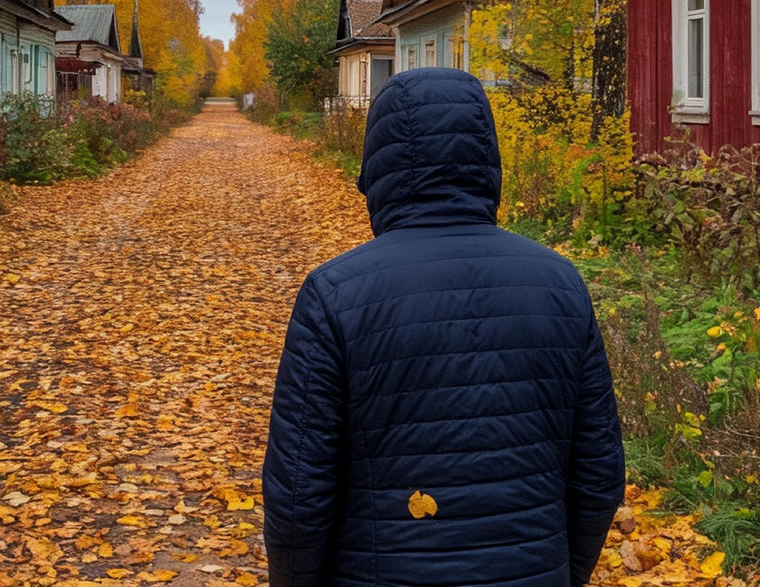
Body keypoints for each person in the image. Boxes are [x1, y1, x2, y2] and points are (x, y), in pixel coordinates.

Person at [262, 68, 625, 587]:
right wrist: (563, 571)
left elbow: (298, 496)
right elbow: (600, 476)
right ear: (486, 157)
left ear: (378, 165)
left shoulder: (334, 294)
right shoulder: (560, 284)